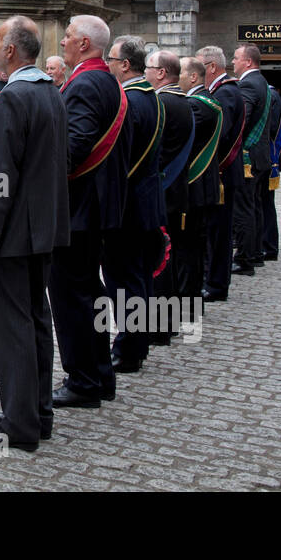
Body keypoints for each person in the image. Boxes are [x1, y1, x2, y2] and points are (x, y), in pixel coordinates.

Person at [0, 15, 69, 452]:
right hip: (43, 228)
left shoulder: (13, 96)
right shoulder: (51, 91)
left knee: (13, 330)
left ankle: (19, 426)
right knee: (36, 323)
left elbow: (3, 178)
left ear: (11, 51)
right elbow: (38, 162)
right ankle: (37, 413)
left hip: (12, 236)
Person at [50, 15, 128, 409]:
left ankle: (82, 380)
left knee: (71, 296)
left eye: (67, 36)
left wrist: (33, 171)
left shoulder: (84, 83)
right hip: (95, 205)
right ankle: (100, 374)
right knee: (90, 292)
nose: (62, 41)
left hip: (78, 208)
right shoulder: (105, 80)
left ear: (83, 44)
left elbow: (73, 148)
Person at [105, 35, 163, 373]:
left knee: (124, 280)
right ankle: (135, 343)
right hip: (145, 202)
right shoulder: (151, 96)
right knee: (138, 278)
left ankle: (129, 348)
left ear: (126, 65)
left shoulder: (128, 102)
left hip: (126, 206)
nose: (108, 66)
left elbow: (117, 159)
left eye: (112, 60)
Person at [147, 50, 195, 346]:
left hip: (163, 192)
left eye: (150, 68)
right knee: (170, 259)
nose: (147, 73)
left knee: (159, 261)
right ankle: (170, 322)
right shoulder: (182, 100)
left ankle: (159, 328)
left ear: (162, 72)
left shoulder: (163, 102)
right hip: (177, 192)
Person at [175, 56, 223, 308]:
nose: (176, 77)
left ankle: (188, 298)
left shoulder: (196, 105)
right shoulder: (209, 100)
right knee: (194, 245)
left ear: (193, 76)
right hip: (204, 185)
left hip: (194, 185)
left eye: (180, 73)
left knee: (188, 248)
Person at [197, 46, 244, 303]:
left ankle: (216, 284)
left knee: (218, 233)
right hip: (223, 172)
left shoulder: (226, 92)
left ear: (211, 67)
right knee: (215, 230)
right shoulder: (224, 90)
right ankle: (213, 279)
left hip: (223, 172)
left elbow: (220, 132)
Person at [230, 44, 271, 275]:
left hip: (248, 157)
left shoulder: (247, 84)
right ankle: (255, 253)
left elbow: (241, 120)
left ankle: (244, 258)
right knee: (255, 207)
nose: (232, 62)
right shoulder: (261, 82)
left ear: (247, 61)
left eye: (236, 58)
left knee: (244, 208)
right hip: (260, 155)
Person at [260, 84, 281, 261]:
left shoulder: (272, 95)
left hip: (269, 156)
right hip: (267, 156)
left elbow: (271, 128)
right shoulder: (270, 94)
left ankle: (269, 246)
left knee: (266, 204)